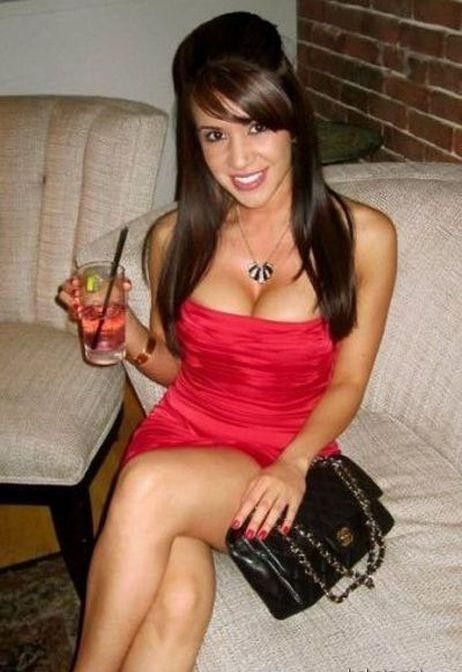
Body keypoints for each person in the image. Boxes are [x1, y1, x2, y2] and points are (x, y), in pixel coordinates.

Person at [59, 11, 397, 672]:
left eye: (256, 126)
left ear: (292, 120)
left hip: (278, 460)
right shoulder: (173, 239)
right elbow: (175, 369)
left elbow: (350, 381)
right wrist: (124, 332)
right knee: (178, 603)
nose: (238, 160)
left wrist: (294, 463)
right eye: (215, 134)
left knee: (147, 486)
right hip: (182, 439)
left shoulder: (363, 237)